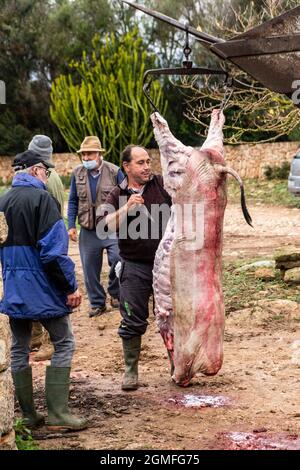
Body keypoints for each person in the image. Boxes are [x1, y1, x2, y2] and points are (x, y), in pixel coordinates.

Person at [0, 150, 87, 431]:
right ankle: (58, 414)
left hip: (13, 288)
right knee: (64, 342)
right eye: (47, 172)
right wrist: (70, 286)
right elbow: (53, 254)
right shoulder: (44, 201)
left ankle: (28, 415)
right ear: (37, 170)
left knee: (19, 348)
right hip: (43, 288)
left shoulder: (2, 202)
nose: (48, 176)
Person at [97, 145, 172, 391]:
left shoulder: (161, 185)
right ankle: (131, 370)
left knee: (172, 318)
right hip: (134, 265)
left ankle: (178, 364)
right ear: (126, 167)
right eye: (140, 162)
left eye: (148, 161)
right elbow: (104, 226)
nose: (147, 166)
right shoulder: (116, 194)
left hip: (166, 265)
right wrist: (126, 208)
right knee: (132, 318)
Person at [68, 136, 123, 318]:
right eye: (83, 154)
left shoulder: (115, 172)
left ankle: (115, 294)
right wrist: (71, 225)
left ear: (99, 154)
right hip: (88, 229)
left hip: (111, 228)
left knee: (118, 259)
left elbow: (125, 198)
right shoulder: (77, 173)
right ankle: (97, 303)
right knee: (89, 269)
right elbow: (73, 200)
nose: (86, 157)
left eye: (90, 153)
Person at [28, 135, 65, 361]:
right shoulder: (28, 174)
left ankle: (53, 341)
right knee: (33, 288)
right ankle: (34, 336)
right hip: (32, 242)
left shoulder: (51, 179)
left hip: (45, 240)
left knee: (50, 288)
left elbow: (56, 213)